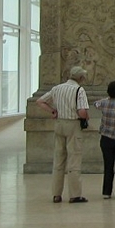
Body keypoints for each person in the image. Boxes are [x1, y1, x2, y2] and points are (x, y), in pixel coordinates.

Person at [36, 65, 90, 203]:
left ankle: (56, 194)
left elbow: (40, 101)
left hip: (59, 124)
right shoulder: (79, 90)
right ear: (81, 78)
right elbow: (82, 112)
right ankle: (74, 194)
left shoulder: (57, 88)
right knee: (74, 159)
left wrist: (53, 111)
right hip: (73, 124)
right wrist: (86, 117)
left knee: (59, 159)